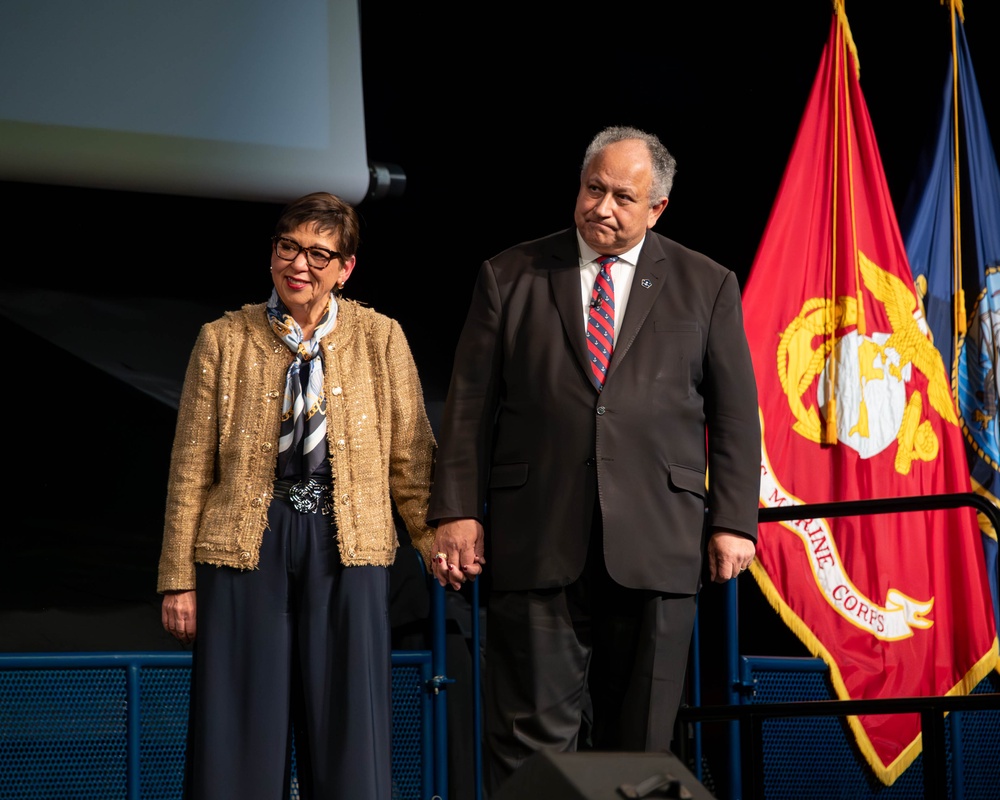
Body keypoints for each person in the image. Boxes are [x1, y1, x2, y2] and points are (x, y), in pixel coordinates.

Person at [426, 126, 761, 794]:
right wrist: (456, 511)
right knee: (529, 740)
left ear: (657, 208)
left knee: (640, 744)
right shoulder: (510, 274)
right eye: (593, 188)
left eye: (623, 197)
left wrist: (733, 520)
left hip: (659, 542)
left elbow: (733, 414)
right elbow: (468, 408)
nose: (602, 207)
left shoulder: (707, 284)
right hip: (539, 534)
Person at [157, 191, 437, 800]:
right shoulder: (223, 339)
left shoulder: (381, 338)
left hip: (349, 540)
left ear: (345, 268)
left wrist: (435, 540)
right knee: (236, 727)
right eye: (288, 248)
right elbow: (188, 472)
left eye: (318, 253)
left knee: (350, 729)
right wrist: (178, 577)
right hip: (244, 544)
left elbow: (413, 460)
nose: (299, 265)